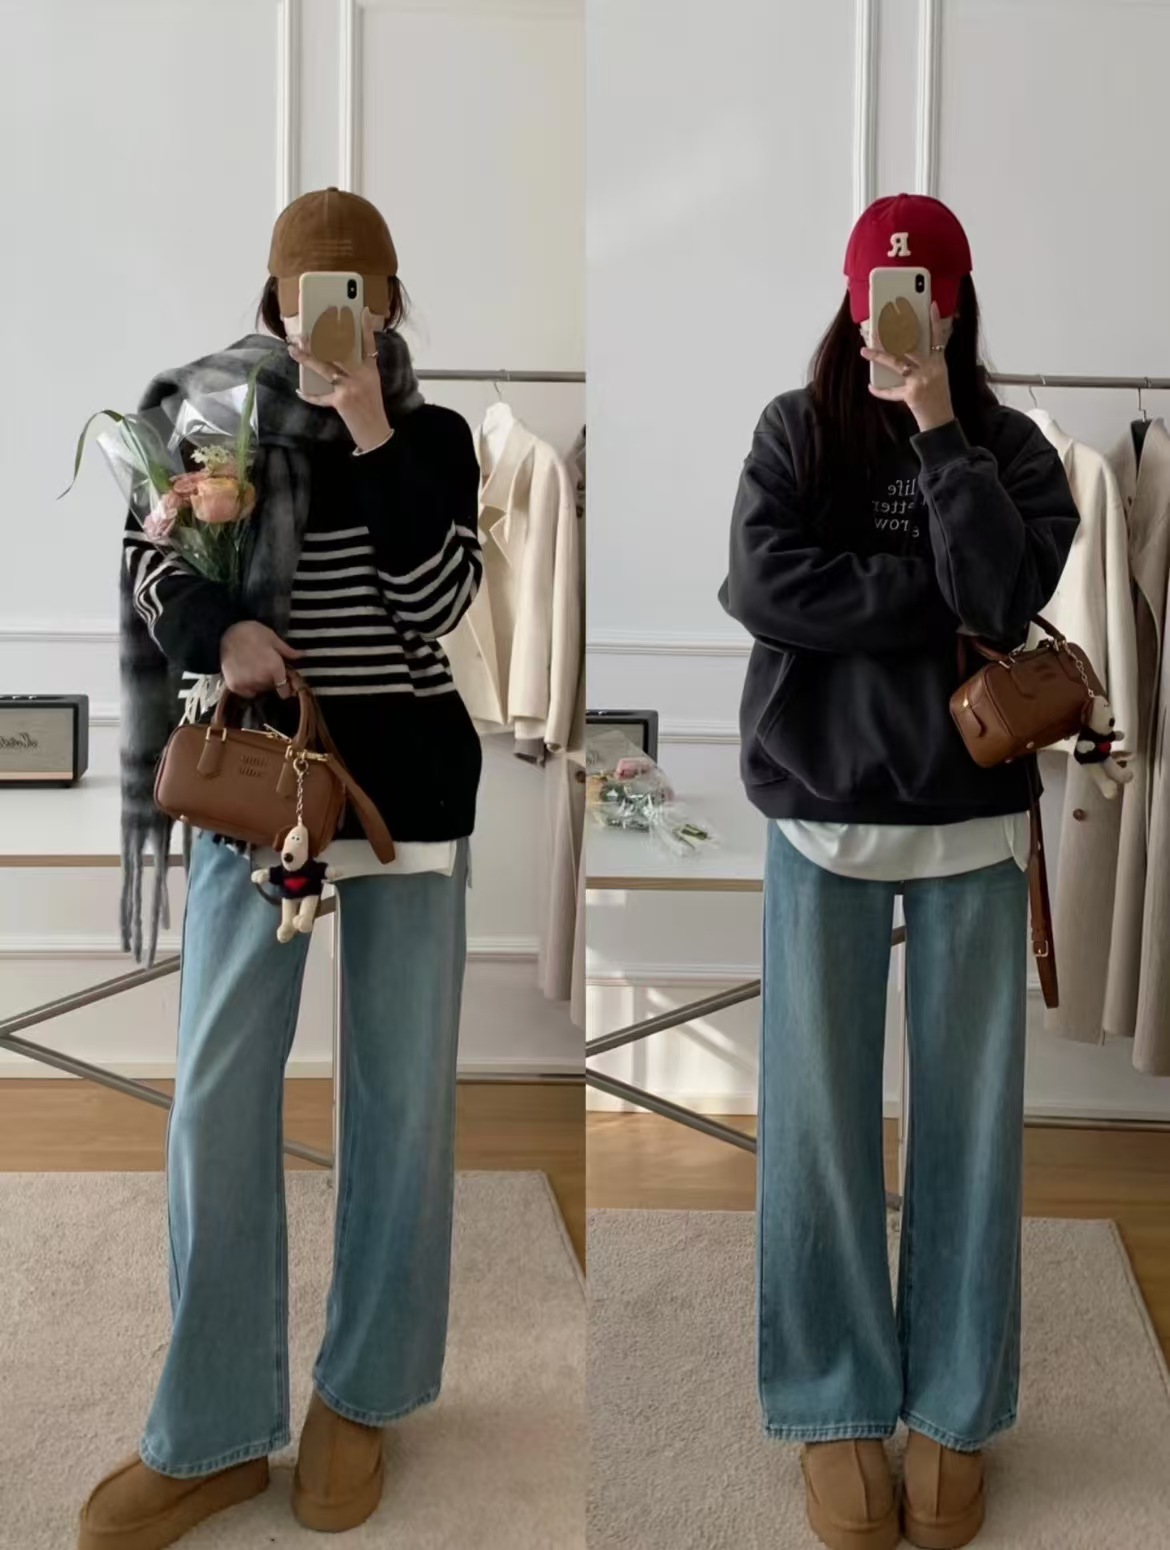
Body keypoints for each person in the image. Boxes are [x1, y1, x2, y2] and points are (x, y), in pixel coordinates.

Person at [79, 187, 483, 1549]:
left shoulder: (432, 436)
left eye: (358, 293)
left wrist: (370, 426)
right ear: (272, 296)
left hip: (407, 802)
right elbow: (151, 563)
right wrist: (223, 634)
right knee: (215, 1105)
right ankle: (209, 1431)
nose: (332, 317)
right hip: (256, 789)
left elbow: (438, 602)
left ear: (390, 301)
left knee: (400, 1108)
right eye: (311, 293)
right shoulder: (209, 412)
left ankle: (362, 1394)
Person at [719, 194, 1079, 1550]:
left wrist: (936, 431)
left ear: (955, 302)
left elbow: (999, 596)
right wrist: (924, 600)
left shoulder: (1010, 449)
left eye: (924, 294)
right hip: (821, 817)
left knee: (968, 1130)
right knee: (815, 1125)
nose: (900, 316)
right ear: (853, 295)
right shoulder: (793, 430)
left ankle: (953, 1411)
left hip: (972, 825)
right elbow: (765, 589)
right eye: (883, 291)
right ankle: (831, 1402)